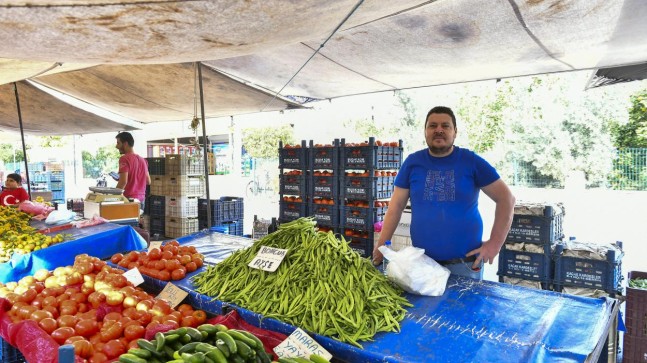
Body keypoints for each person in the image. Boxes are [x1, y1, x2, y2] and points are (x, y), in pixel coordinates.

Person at [373, 106, 515, 279]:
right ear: (425, 132)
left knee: (465, 307)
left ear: (455, 132)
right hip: (423, 264)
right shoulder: (413, 163)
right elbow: (395, 207)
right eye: (432, 126)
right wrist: (381, 246)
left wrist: (494, 244)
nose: (438, 130)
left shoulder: (471, 161)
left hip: (465, 265)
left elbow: (506, 199)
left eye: (445, 126)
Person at [114, 132, 151, 210]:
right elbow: (148, 181)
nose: (116, 146)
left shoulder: (124, 159)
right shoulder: (143, 160)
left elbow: (123, 182)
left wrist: (113, 196)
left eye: (118, 143)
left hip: (129, 199)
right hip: (141, 200)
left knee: (126, 222)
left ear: (126, 143)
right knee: (136, 222)